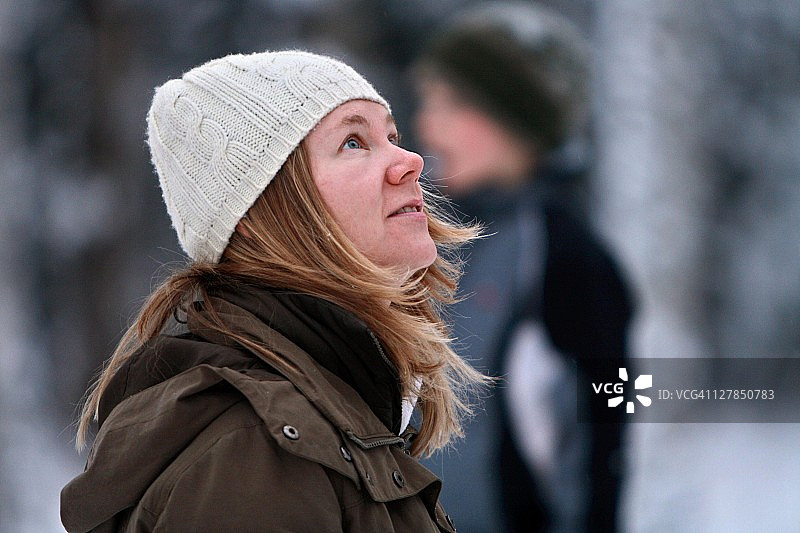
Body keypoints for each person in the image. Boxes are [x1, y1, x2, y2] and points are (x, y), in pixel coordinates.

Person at [60, 50, 485, 532]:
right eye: (353, 141)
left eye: (391, 136)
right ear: (269, 210)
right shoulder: (257, 452)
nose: (410, 161)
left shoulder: (329, 417)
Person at [412, 3, 633, 532]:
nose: (425, 125)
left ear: (515, 118)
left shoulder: (570, 260)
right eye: (426, 101)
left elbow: (600, 448)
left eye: (452, 103)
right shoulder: (424, 235)